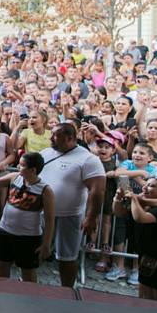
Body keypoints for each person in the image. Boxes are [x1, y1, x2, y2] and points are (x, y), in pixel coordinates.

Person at [0, 152, 55, 282]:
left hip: (28, 237)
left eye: (22, 165)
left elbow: (50, 219)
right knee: (2, 266)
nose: (18, 166)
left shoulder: (45, 190)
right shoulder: (14, 177)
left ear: (33, 170)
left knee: (28, 271)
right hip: (5, 231)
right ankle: (1, 295)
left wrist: (46, 244)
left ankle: (29, 298)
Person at [40, 122, 105, 287]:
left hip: (70, 215)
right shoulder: (46, 153)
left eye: (55, 135)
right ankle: (31, 286)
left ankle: (67, 291)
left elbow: (97, 191)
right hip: (41, 213)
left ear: (70, 138)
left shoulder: (88, 159)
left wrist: (91, 218)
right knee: (35, 250)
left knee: (67, 257)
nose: (50, 138)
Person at [114, 177, 157, 300]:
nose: (144, 188)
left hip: (156, 259)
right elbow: (119, 213)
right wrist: (118, 198)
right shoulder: (143, 203)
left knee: (154, 298)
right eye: (146, 184)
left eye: (152, 186)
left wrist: (134, 198)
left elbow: (141, 218)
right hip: (146, 258)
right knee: (144, 296)